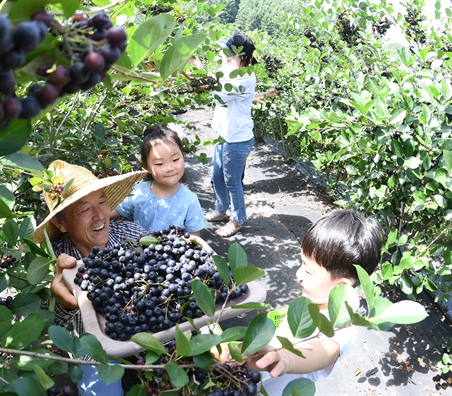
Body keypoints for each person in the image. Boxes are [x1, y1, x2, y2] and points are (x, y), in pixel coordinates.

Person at [219, 209, 383, 395]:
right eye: (301, 264)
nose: (298, 274)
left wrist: (286, 358)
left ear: (342, 285)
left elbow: (321, 352)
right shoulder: (311, 300)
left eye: (308, 271)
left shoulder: (342, 331)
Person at [32, 159, 148, 396]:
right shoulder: (57, 267)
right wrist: (65, 303)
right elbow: (56, 334)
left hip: (147, 329)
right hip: (97, 347)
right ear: (60, 222)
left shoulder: (133, 236)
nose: (99, 215)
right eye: (84, 209)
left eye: (102, 202)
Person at [204, 33, 278, 237]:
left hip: (237, 138)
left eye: (229, 52)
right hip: (223, 134)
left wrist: (204, 67)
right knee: (216, 176)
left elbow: (220, 95)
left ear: (241, 56)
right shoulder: (234, 72)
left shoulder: (243, 76)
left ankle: (237, 220)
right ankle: (221, 210)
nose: (224, 54)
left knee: (232, 181)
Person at [110, 124, 206, 236]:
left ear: (183, 157)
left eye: (175, 159)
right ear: (146, 167)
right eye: (159, 163)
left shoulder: (190, 200)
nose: (169, 168)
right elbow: (109, 213)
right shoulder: (138, 192)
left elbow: (194, 239)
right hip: (140, 251)